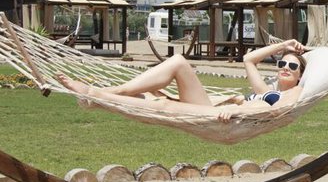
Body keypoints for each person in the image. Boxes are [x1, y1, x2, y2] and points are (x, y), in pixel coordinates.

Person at [56, 39, 307, 123]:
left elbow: (274, 111)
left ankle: (95, 94)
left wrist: (237, 110)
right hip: (215, 108)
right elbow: (249, 59)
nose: (285, 68)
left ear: (300, 75)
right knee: (159, 86)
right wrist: (284, 45)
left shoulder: (293, 93)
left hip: (226, 119)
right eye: (281, 64)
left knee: (165, 102)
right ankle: (102, 96)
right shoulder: (265, 89)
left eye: (292, 66)